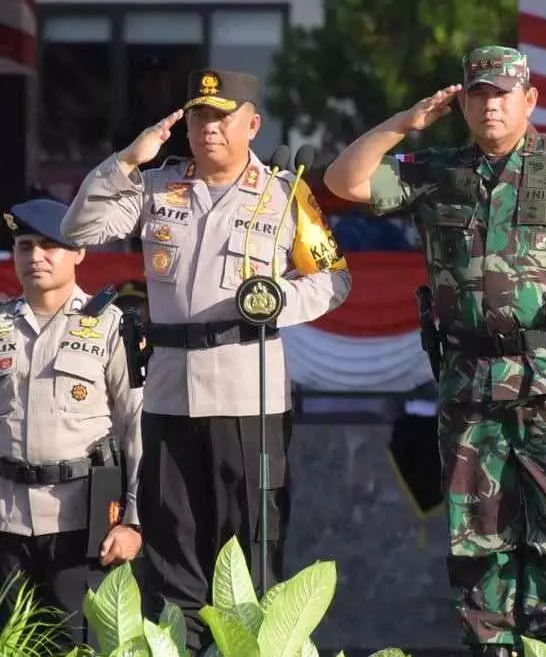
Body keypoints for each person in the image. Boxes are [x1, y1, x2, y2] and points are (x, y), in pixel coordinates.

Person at [323, 45, 546, 656]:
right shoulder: (436, 169)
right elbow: (343, 181)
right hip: (472, 382)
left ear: (529, 100)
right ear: (463, 103)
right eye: (478, 94)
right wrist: (404, 123)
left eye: (502, 94)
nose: (490, 105)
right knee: (478, 541)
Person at [61, 68, 351, 654]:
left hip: (249, 392)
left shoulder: (284, 192)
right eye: (198, 116)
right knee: (174, 557)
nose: (209, 127)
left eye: (222, 116)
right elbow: (78, 228)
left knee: (252, 556)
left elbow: (334, 279)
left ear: (253, 123)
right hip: (169, 392)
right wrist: (126, 161)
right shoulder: (159, 189)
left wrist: (277, 302)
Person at [0, 199, 142, 648]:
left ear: (78, 252)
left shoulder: (110, 325)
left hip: (82, 525)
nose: (36, 256)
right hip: (5, 523)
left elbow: (137, 428)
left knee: (74, 644)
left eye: (50, 246)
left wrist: (134, 523)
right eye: (25, 246)